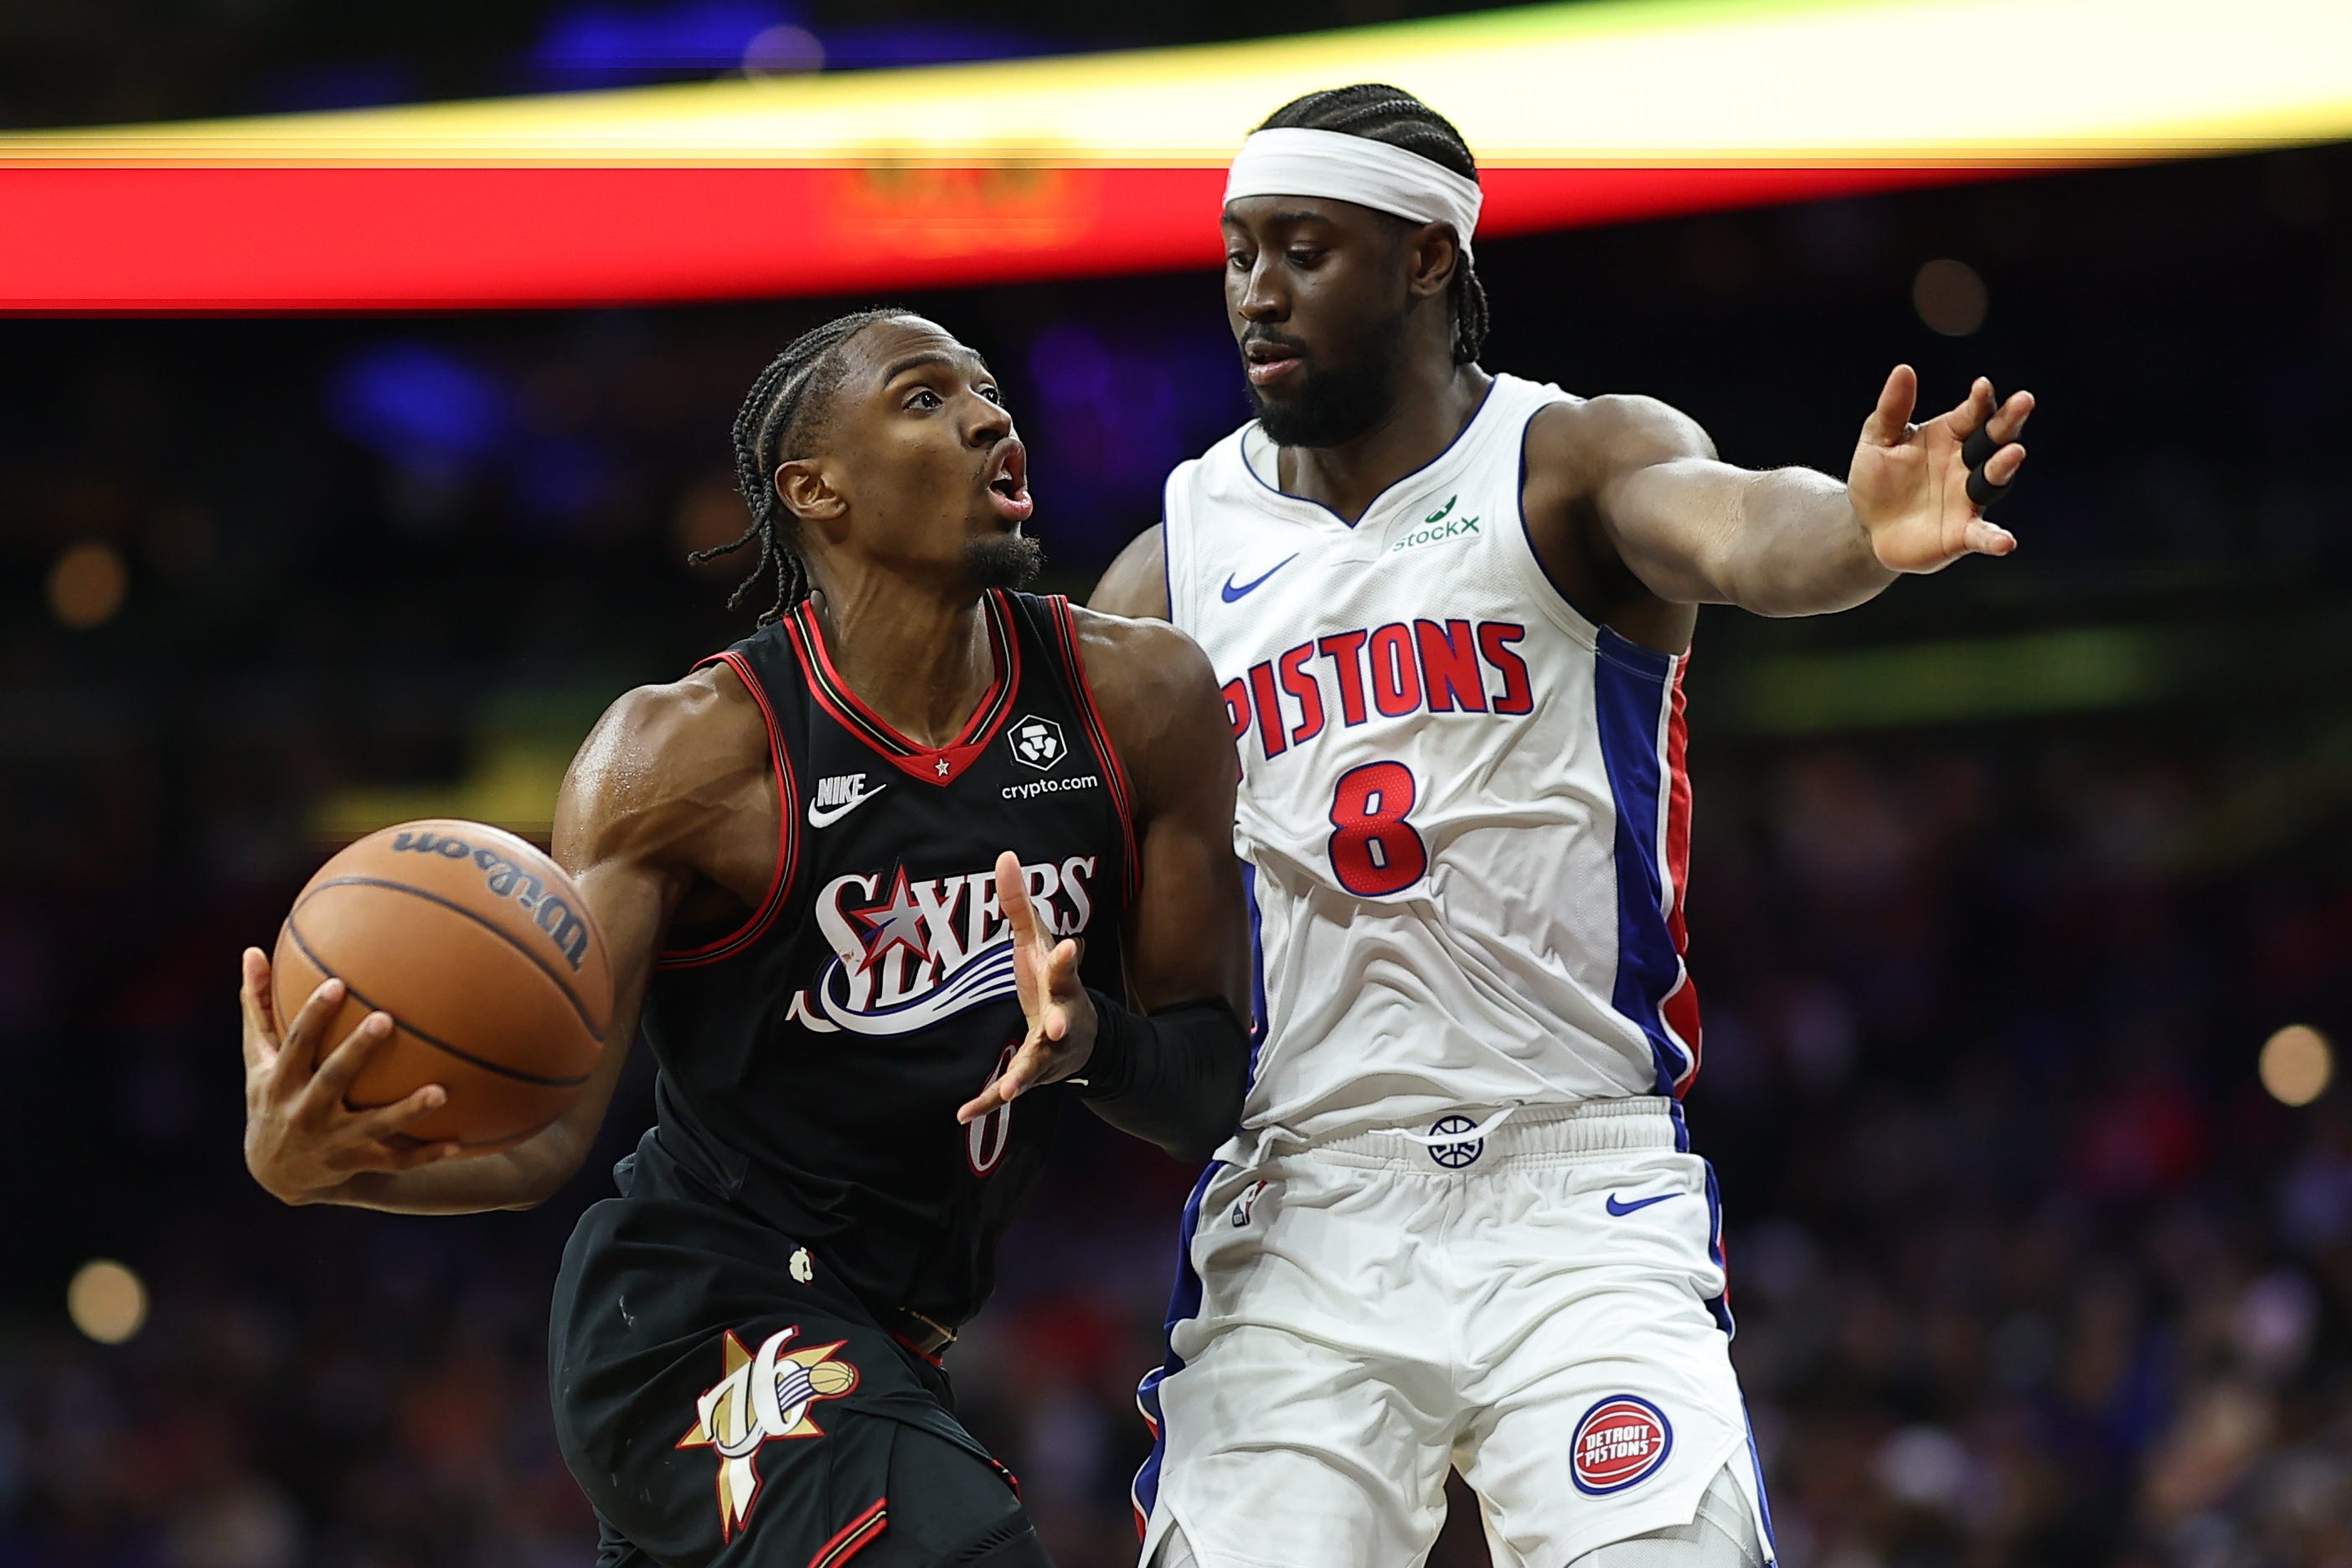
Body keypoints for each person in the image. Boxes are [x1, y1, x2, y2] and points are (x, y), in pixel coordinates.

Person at [1091, 85, 2036, 1568]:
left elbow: (1743, 526)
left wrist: (1859, 534)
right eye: (1238, 254)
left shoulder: (1570, 462)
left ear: (1425, 257)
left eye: (1303, 250)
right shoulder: (1169, 565)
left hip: (1573, 1188)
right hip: (1298, 1201)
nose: (1257, 292)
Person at [239, 308, 1254, 1568]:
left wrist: (1094, 1042)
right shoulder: (684, 756)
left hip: (891, 1346)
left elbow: (1206, 1092)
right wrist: (320, 1168)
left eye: (988, 392)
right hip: (693, 1315)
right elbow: (544, 1135)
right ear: (814, 489)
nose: (990, 417)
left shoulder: (1139, 700)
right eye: (926, 398)